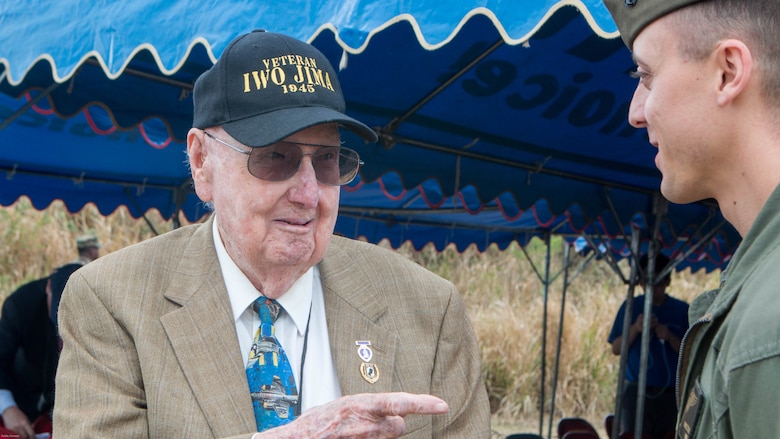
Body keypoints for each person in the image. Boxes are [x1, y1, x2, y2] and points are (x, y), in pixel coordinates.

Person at [53, 30, 491, 438]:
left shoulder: (430, 309)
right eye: (275, 157)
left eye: (327, 160)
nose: (308, 193)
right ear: (202, 161)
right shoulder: (111, 299)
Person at [602, 0, 780, 437]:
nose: (635, 111)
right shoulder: (755, 283)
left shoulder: (768, 328)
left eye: (645, 76)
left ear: (728, 71)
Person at [607, 253, 688, 439]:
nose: (653, 289)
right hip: (636, 391)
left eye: (658, 284)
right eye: (647, 283)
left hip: (669, 391)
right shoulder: (630, 307)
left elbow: (691, 354)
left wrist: (669, 336)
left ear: (667, 282)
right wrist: (635, 329)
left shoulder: (682, 311)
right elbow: (616, 348)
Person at [0, 263, 82, 439]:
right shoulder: (20, 305)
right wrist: (8, 408)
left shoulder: (100, 301)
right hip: (22, 398)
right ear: (48, 288)